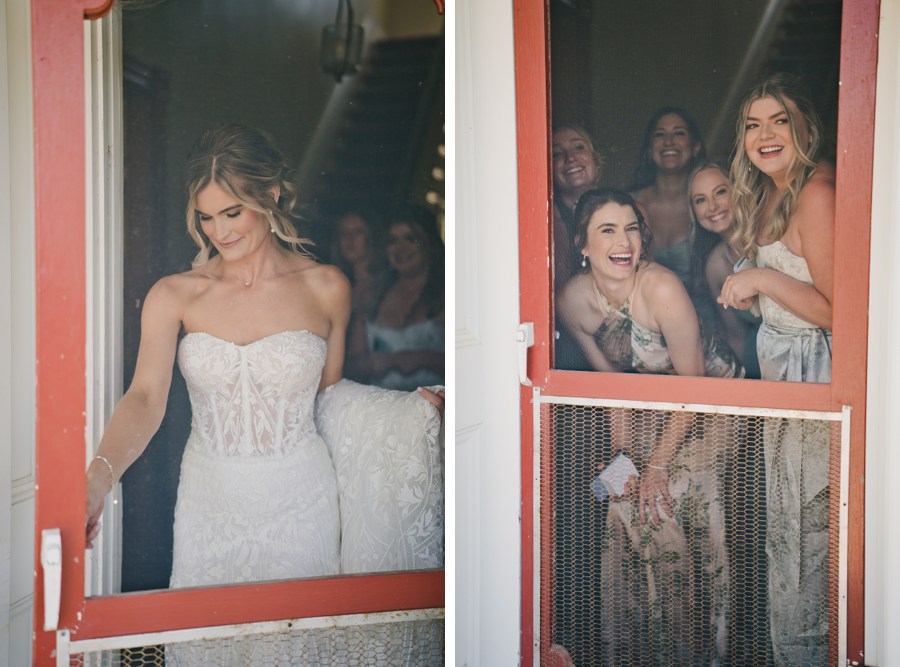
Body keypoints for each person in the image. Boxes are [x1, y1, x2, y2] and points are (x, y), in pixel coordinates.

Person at [84, 124, 444, 662]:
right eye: (206, 217)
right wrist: (97, 477)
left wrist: (406, 413)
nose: (219, 232)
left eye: (232, 213)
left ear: (271, 194)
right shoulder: (174, 295)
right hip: (209, 502)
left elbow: (330, 398)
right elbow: (145, 398)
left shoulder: (327, 286)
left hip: (301, 501)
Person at [557, 188, 741, 664]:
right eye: (608, 230)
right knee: (614, 495)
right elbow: (614, 385)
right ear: (582, 243)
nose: (624, 241)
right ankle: (638, 647)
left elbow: (695, 387)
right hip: (643, 407)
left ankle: (695, 649)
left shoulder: (661, 287)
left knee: (669, 497)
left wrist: (656, 466)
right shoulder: (572, 300)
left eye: (631, 229)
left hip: (711, 404)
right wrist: (624, 459)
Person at [718, 72, 834, 665]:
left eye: (779, 121)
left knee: (811, 533)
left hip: (816, 377)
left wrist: (761, 278)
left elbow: (839, 311)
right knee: (787, 530)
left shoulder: (817, 192)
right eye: (753, 124)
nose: (764, 135)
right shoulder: (772, 191)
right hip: (781, 378)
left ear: (805, 127)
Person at [346, 206, 445, 391]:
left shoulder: (446, 294)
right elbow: (352, 366)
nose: (401, 248)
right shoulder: (372, 294)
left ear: (429, 244)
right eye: (392, 241)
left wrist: (423, 359)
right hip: (383, 400)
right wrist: (370, 365)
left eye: (411, 239)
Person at [687, 159, 762, 377]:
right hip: (756, 362)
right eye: (701, 200)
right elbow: (735, 335)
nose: (712, 207)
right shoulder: (716, 264)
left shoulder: (767, 236)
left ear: (738, 191)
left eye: (720, 192)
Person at [630, 107, 706, 291]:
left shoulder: (710, 205)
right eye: (660, 134)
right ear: (649, 148)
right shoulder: (629, 204)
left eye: (679, 133)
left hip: (704, 307)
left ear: (695, 146)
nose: (669, 141)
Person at [551, 125, 604, 370]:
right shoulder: (546, 222)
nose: (570, 158)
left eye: (578, 148)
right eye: (557, 154)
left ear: (596, 160)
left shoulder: (629, 210)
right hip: (567, 342)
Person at [330, 210, 384, 383]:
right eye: (344, 233)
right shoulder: (336, 285)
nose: (349, 239)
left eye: (358, 232)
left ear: (371, 237)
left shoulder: (389, 284)